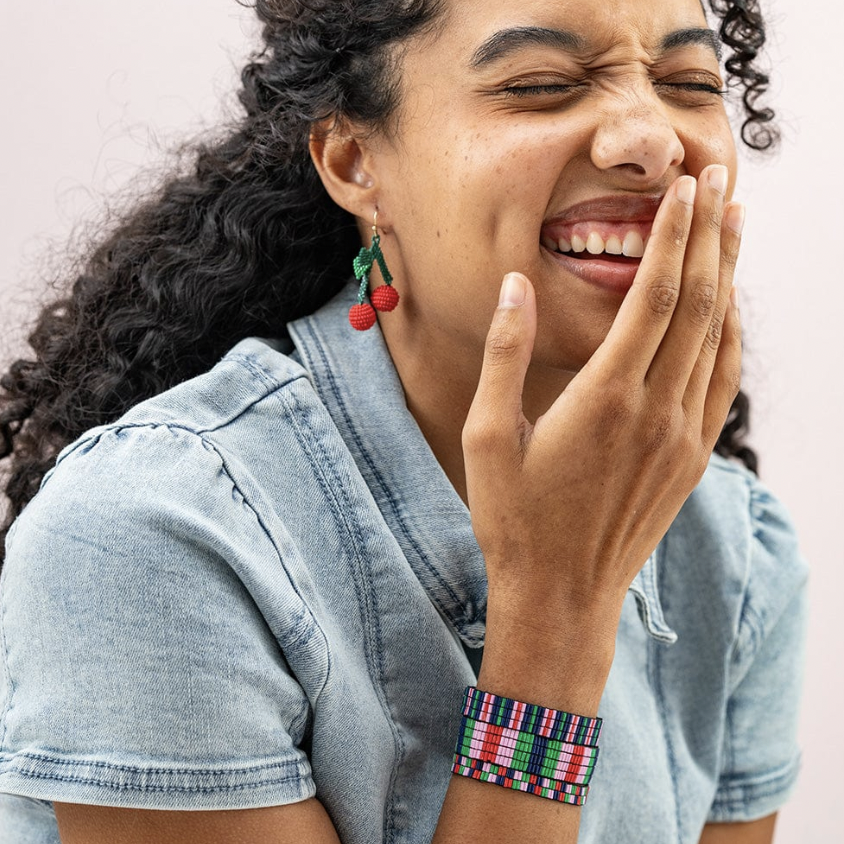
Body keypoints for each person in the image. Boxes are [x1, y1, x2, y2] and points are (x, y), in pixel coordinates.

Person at [0, 0, 807, 842]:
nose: (652, 140)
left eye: (688, 83)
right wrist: (558, 614)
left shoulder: (740, 552)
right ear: (355, 162)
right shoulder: (152, 534)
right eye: (539, 84)